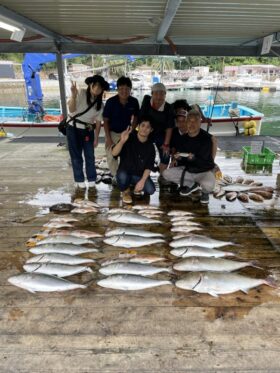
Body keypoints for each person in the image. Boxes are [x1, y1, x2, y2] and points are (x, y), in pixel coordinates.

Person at [163, 109, 216, 204]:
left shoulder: (207, 139)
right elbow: (182, 161)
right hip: (188, 170)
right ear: (186, 123)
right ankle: (192, 184)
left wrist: (194, 158)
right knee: (166, 174)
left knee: (209, 186)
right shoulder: (183, 139)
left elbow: (206, 162)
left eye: (195, 121)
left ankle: (204, 192)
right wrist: (178, 158)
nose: (192, 124)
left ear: (200, 123)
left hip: (203, 171)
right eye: (189, 121)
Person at [66, 75, 109, 193]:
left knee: (90, 156)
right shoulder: (80, 93)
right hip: (73, 128)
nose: (97, 89)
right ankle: (79, 180)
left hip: (88, 130)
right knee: (76, 156)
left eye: (100, 88)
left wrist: (96, 138)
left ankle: (91, 179)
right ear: (90, 85)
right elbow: (71, 109)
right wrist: (73, 96)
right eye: (95, 86)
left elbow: (99, 123)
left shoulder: (100, 104)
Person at [111, 118, 156, 204]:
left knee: (151, 190)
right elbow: (114, 153)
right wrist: (122, 141)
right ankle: (125, 189)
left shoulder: (151, 147)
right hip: (125, 173)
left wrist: (142, 181)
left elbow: (149, 166)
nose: (145, 129)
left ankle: (136, 186)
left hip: (139, 176)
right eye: (142, 125)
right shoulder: (129, 138)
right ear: (138, 127)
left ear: (151, 130)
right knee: (121, 176)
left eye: (148, 127)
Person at [103, 76, 140, 178]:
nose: (124, 91)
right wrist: (108, 138)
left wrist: (132, 130)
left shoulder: (134, 101)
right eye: (121, 88)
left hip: (127, 133)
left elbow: (136, 117)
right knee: (111, 155)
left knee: (129, 154)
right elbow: (105, 121)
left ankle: (128, 174)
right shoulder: (110, 102)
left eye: (127, 89)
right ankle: (116, 176)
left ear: (130, 90)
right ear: (117, 89)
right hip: (113, 132)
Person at [139, 83, 175, 175]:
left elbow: (169, 127)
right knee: (142, 152)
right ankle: (141, 173)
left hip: (161, 133)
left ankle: (162, 174)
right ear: (152, 94)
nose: (159, 97)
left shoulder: (169, 108)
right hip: (147, 132)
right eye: (156, 93)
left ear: (165, 95)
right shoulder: (146, 101)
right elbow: (141, 119)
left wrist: (166, 144)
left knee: (166, 154)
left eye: (162, 94)